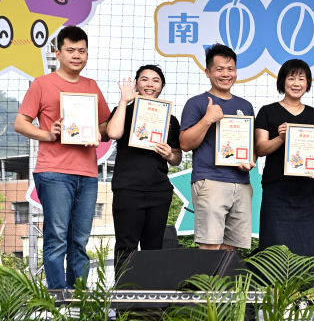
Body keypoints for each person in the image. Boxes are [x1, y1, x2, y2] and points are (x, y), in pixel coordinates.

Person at [15, 25, 111, 289]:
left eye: (82, 51)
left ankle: (78, 297)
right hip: (54, 172)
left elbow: (104, 126)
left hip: (88, 174)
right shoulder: (42, 84)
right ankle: (58, 299)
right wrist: (48, 134)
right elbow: (21, 123)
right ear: (58, 53)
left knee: (79, 241)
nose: (76, 55)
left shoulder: (92, 86)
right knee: (56, 238)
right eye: (70, 50)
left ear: (87, 54)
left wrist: (98, 133)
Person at [106, 65, 182, 278]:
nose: (150, 84)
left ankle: (150, 296)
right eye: (144, 79)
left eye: (156, 80)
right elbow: (113, 133)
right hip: (128, 189)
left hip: (159, 191)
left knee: (154, 250)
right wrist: (124, 101)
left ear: (162, 86)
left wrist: (169, 154)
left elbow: (177, 157)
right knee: (126, 247)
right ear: (136, 84)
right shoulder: (124, 110)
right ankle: (124, 296)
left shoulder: (170, 119)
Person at [255, 59, 314, 276]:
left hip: (308, 191)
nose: (296, 83)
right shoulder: (267, 112)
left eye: (301, 79)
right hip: (276, 189)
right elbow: (260, 148)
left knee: (312, 245)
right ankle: (276, 294)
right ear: (282, 81)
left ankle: (309, 293)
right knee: (275, 245)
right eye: (291, 78)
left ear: (308, 83)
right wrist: (280, 138)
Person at [179, 44, 256, 251]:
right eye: (219, 69)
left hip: (241, 183)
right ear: (208, 72)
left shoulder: (246, 106)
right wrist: (208, 119)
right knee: (210, 247)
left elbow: (251, 146)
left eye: (230, 69)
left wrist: (250, 160)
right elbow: (185, 143)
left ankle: (226, 276)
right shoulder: (196, 103)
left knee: (232, 250)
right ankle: (206, 277)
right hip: (210, 181)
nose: (226, 74)